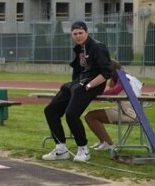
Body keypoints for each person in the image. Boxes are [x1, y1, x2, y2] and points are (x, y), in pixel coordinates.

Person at [42, 21, 112, 163]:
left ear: (87, 33)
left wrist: (89, 85)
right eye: (75, 34)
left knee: (71, 114)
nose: (78, 36)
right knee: (50, 111)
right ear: (72, 35)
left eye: (81, 33)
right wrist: (73, 86)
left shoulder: (97, 47)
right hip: (79, 83)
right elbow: (78, 70)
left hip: (92, 84)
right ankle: (61, 149)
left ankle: (83, 149)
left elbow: (107, 72)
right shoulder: (79, 48)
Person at [84, 60, 138, 151]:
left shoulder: (124, 77)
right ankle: (104, 142)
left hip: (127, 113)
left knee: (91, 116)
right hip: (125, 110)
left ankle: (107, 143)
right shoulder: (122, 77)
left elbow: (114, 91)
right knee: (90, 115)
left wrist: (96, 93)